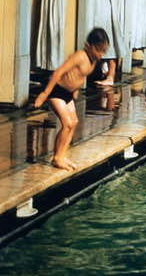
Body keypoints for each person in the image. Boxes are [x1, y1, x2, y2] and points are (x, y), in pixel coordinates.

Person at [33, 27, 110, 170]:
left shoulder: (93, 61)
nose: (101, 54)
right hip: (56, 91)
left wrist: (75, 90)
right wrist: (44, 94)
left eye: (103, 51)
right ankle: (57, 158)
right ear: (89, 45)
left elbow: (80, 76)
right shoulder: (80, 56)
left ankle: (61, 155)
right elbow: (58, 72)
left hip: (68, 94)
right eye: (98, 50)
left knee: (74, 123)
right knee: (67, 123)